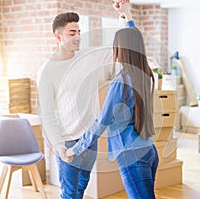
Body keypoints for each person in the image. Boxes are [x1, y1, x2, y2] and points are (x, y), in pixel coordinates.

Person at [36, 1, 136, 199]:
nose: (78, 37)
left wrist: (124, 15)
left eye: (79, 32)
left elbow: (118, 47)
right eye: (72, 33)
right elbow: (46, 114)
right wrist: (59, 147)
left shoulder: (88, 57)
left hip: (90, 137)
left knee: (83, 185)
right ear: (58, 37)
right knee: (70, 193)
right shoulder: (47, 72)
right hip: (67, 141)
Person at [64, 25, 159, 199]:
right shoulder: (145, 75)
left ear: (120, 49)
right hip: (149, 150)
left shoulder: (120, 82)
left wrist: (75, 149)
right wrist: (127, 15)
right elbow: (134, 38)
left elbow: (102, 121)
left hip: (131, 156)